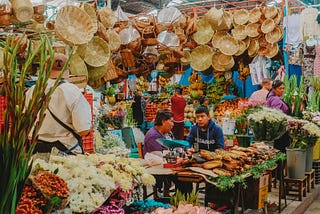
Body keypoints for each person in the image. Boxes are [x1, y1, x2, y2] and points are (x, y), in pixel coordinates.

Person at [26, 53, 92, 154]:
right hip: (66, 152)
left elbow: (25, 123)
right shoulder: (73, 92)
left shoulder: (32, 91)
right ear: (68, 69)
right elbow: (83, 130)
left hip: (36, 151)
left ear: (45, 68)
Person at [266, 79, 290, 152]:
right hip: (280, 130)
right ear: (274, 89)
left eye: (283, 88)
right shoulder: (275, 99)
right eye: (280, 88)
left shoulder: (272, 97)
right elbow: (276, 115)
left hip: (279, 130)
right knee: (281, 149)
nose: (282, 90)